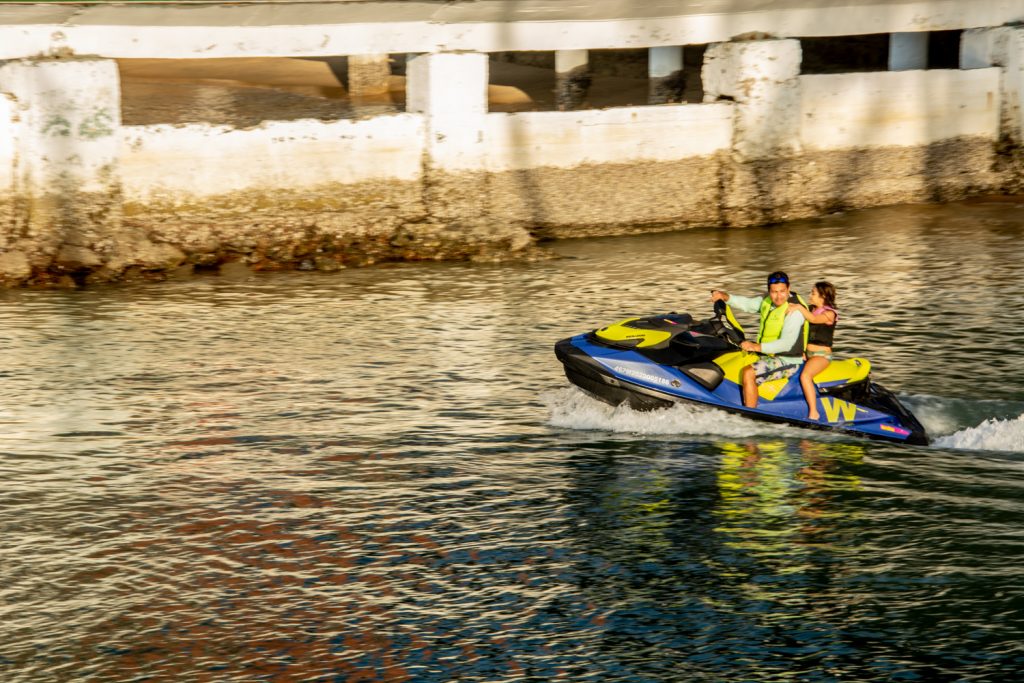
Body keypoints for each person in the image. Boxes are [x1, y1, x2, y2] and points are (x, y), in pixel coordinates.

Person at [710, 271, 808, 409]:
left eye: (782, 291)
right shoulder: (767, 301)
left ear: (788, 289)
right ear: (769, 291)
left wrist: (755, 347)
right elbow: (748, 304)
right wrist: (725, 297)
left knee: (749, 373)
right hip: (767, 354)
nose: (779, 296)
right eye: (774, 292)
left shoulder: (794, 311)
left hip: (788, 360)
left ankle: (750, 415)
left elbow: (786, 344)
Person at [789, 281, 839, 420]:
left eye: (813, 293)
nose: (810, 295)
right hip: (807, 355)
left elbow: (814, 319)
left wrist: (799, 307)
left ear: (823, 296)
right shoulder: (810, 309)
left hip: (822, 356)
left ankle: (813, 412)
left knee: (805, 376)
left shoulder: (830, 314)